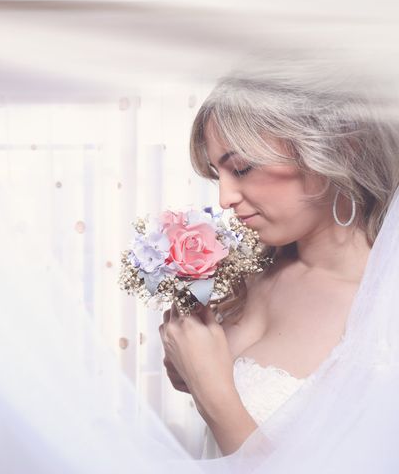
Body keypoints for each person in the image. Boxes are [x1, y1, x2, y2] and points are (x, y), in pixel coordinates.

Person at [159, 53, 399, 459]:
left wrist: (213, 393)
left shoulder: (384, 315)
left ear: (340, 150)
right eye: (218, 175)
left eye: (243, 167)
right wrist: (187, 365)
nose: (225, 198)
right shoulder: (252, 271)